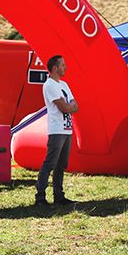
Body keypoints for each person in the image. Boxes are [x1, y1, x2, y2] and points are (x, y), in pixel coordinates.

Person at [36, 54, 79, 206]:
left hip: (67, 130)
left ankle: (59, 196)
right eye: (62, 65)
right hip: (56, 130)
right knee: (50, 164)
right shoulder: (49, 85)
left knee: (62, 165)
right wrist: (69, 107)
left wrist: (69, 106)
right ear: (55, 68)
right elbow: (64, 107)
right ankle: (40, 196)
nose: (65, 68)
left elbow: (76, 106)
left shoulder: (64, 85)